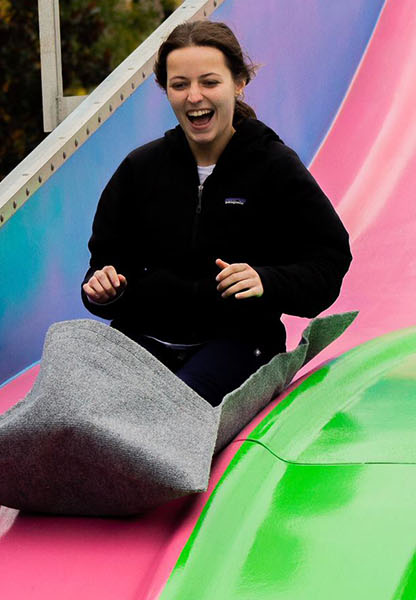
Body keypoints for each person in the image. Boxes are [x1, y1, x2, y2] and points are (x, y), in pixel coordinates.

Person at [81, 21, 351, 407]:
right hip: (146, 339)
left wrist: (267, 281)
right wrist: (104, 288)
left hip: (240, 341)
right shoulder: (140, 169)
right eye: (180, 85)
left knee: (172, 409)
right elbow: (105, 265)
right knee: (81, 401)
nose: (194, 96)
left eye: (209, 82)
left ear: (238, 83)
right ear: (166, 90)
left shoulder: (273, 167)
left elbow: (329, 260)